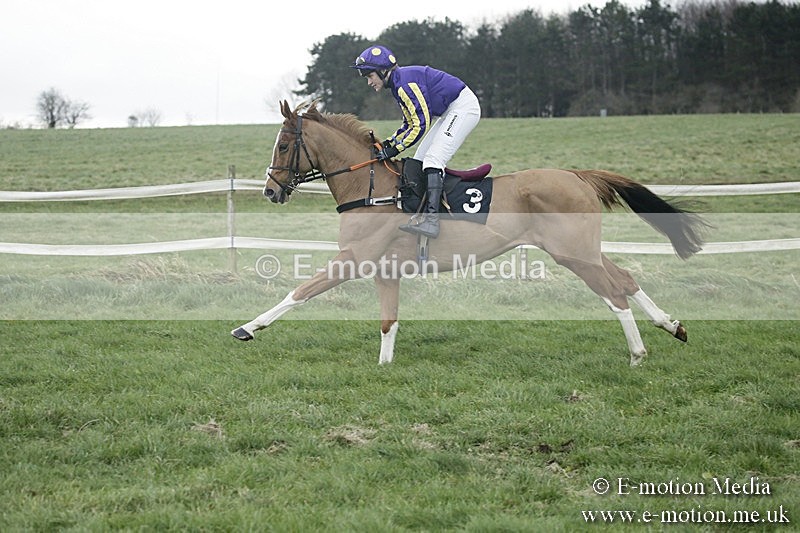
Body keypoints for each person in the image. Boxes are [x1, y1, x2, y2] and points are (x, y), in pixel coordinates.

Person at [351, 45, 481, 238]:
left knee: (433, 160)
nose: (369, 82)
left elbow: (421, 124)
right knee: (419, 160)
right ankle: (422, 214)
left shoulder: (405, 85)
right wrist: (389, 143)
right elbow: (409, 123)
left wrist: (395, 149)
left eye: (370, 76)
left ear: (383, 71)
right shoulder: (398, 86)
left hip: (463, 108)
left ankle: (432, 222)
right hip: (449, 111)